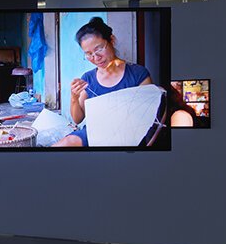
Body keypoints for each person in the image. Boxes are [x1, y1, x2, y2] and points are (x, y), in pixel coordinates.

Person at [52, 16, 154, 147]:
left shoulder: (138, 74)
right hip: (96, 133)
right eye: (88, 54)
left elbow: (149, 115)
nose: (95, 58)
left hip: (128, 135)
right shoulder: (88, 78)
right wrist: (74, 97)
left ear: (111, 40)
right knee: (65, 144)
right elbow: (77, 119)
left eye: (99, 49)